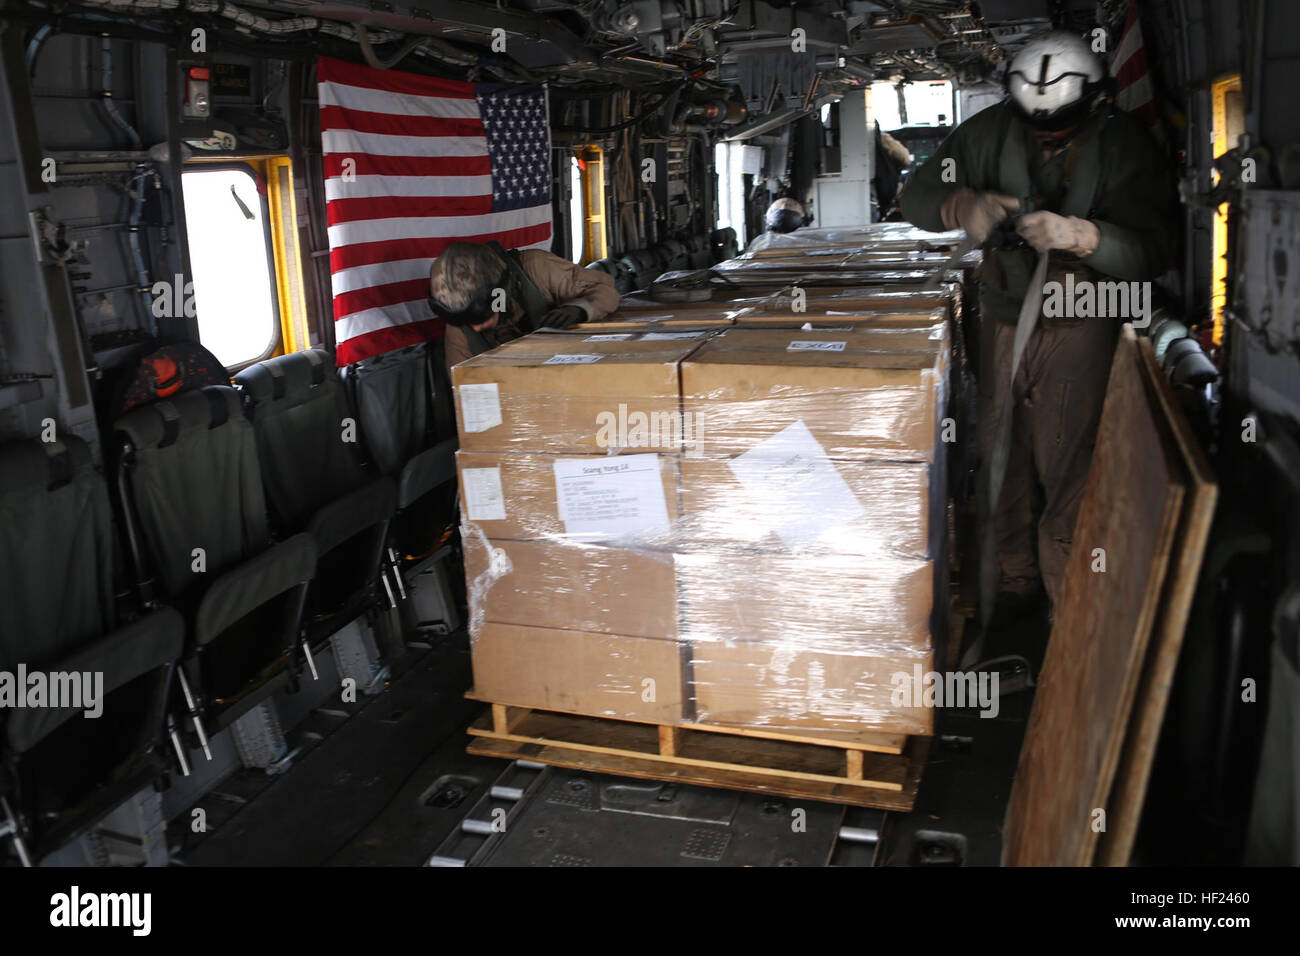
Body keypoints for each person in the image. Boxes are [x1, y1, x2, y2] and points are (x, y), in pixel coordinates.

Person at [900, 30, 1177, 623]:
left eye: (1061, 126)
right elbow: (917, 193)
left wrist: (1087, 237)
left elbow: (1154, 252)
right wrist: (960, 206)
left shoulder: (1126, 148)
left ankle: (1071, 610)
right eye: (1035, 125)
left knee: (1070, 466)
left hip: (1084, 323)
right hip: (1004, 317)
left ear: (1094, 103)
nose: (1047, 135)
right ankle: (1012, 589)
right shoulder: (987, 133)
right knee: (999, 455)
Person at [429, 241, 619, 372]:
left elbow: (606, 290)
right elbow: (461, 381)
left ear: (500, 293)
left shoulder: (537, 268)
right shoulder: (460, 320)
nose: (476, 328)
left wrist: (579, 309)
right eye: (470, 322)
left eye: (482, 317)